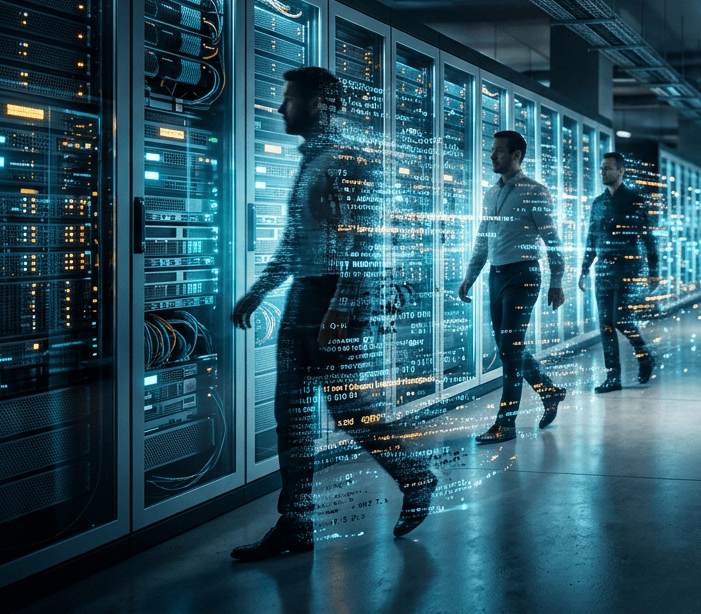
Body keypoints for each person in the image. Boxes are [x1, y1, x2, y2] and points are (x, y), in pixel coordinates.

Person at [230, 66, 435, 561]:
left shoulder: (349, 159)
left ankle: (416, 477)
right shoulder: (315, 159)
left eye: (288, 100)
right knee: (292, 416)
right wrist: (259, 291)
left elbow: (366, 240)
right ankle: (296, 524)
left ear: (318, 103)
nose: (281, 108)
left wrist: (342, 306)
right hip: (305, 293)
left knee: (348, 409)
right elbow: (297, 242)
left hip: (333, 297)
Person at [459, 130, 568, 444]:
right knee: (511, 349)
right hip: (497, 276)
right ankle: (549, 391)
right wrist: (470, 276)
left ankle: (506, 424)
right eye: (492, 150)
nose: (492, 157)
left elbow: (553, 243)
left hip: (523, 276)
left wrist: (556, 282)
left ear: (517, 155)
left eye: (499, 151)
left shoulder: (535, 192)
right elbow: (483, 239)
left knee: (509, 348)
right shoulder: (490, 194)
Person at [579, 152, 660, 393]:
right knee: (605, 324)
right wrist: (584, 268)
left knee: (621, 320)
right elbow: (592, 238)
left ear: (621, 171)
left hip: (627, 267)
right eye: (602, 168)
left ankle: (645, 356)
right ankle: (613, 377)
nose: (603, 172)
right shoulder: (598, 203)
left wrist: (653, 272)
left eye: (608, 168)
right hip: (603, 267)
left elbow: (648, 238)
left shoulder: (635, 200)